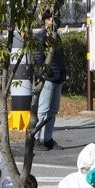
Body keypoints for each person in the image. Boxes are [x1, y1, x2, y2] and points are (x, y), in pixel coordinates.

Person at [34, 12, 66, 152]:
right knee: (43, 110)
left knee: (53, 110)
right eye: (49, 18)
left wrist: (63, 73)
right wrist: (45, 72)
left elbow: (60, 57)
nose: (53, 20)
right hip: (47, 78)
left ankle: (47, 139)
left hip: (58, 78)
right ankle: (34, 139)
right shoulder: (41, 36)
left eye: (53, 17)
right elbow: (38, 56)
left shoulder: (55, 37)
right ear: (44, 21)